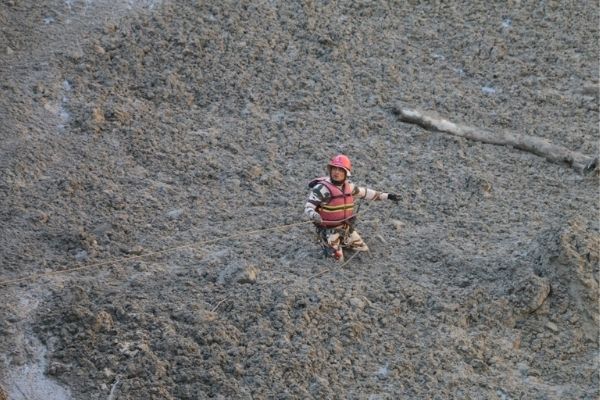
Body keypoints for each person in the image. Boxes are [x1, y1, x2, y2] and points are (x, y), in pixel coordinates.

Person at [304, 154, 399, 261]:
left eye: (340, 170)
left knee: (363, 249)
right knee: (337, 259)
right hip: (329, 229)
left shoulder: (350, 187)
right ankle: (329, 245)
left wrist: (388, 196)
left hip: (346, 227)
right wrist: (314, 215)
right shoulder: (321, 189)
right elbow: (308, 207)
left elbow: (367, 193)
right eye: (334, 169)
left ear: (346, 173)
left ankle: (345, 242)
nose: (336, 172)